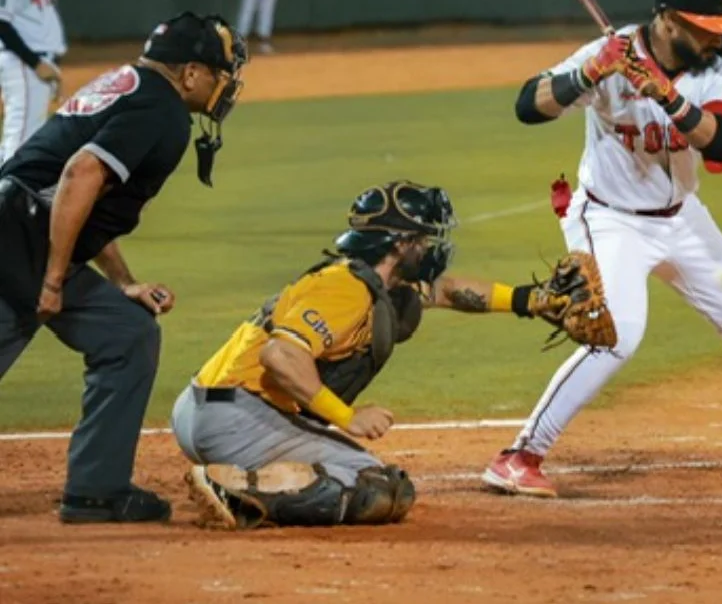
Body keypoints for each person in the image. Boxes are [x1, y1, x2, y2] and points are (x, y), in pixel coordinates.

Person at [481, 0, 722, 498]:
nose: (719, 42)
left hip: (683, 220)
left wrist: (667, 95)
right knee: (616, 335)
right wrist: (589, 74)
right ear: (668, 21)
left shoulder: (720, 70)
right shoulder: (609, 55)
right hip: (609, 219)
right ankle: (520, 455)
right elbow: (528, 105)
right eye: (708, 30)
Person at [177, 180, 587, 529]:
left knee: (375, 483)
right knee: (376, 487)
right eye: (424, 239)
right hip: (234, 419)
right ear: (401, 244)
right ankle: (238, 490)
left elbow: (446, 290)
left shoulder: (378, 285)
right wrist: (348, 417)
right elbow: (279, 355)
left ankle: (242, 476)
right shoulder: (345, 289)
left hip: (215, 408)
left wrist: (529, 300)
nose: (431, 248)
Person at [0, 11, 248, 523]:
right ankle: (96, 488)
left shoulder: (135, 87)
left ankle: (95, 488)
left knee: (121, 329)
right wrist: (52, 280)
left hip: (23, 228)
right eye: (222, 74)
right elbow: (79, 176)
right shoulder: (163, 113)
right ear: (192, 74)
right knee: (113, 333)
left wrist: (124, 282)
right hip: (21, 238)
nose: (227, 87)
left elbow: (82, 200)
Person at [0, 0, 66, 164]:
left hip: (35, 64)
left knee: (24, 142)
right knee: (19, 147)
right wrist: (36, 62)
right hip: (24, 63)